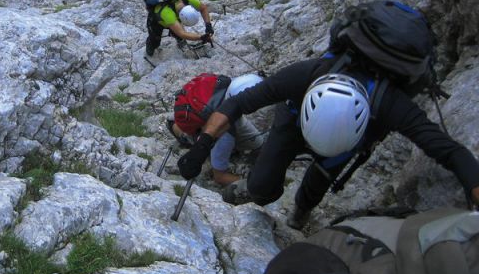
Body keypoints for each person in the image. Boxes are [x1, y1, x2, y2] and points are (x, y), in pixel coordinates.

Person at [177, 57, 479, 229]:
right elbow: (238, 103)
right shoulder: (302, 76)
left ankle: (299, 215)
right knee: (263, 186)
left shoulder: (392, 106)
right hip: (293, 122)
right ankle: (247, 190)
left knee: (316, 185)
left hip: (346, 139)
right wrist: (204, 144)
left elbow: (447, 150)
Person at [168, 73, 266, 186]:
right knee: (189, 134)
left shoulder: (229, 86)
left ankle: (175, 124)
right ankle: (178, 129)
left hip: (220, 114)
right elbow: (219, 177)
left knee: (258, 143)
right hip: (209, 126)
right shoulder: (225, 137)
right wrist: (253, 185)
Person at [144, 0, 213, 57]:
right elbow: (182, 33)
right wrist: (201, 37)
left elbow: (203, 8)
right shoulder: (167, 13)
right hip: (156, 22)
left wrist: (208, 25)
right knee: (155, 41)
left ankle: (179, 40)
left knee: (179, 36)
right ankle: (150, 46)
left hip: (173, 18)